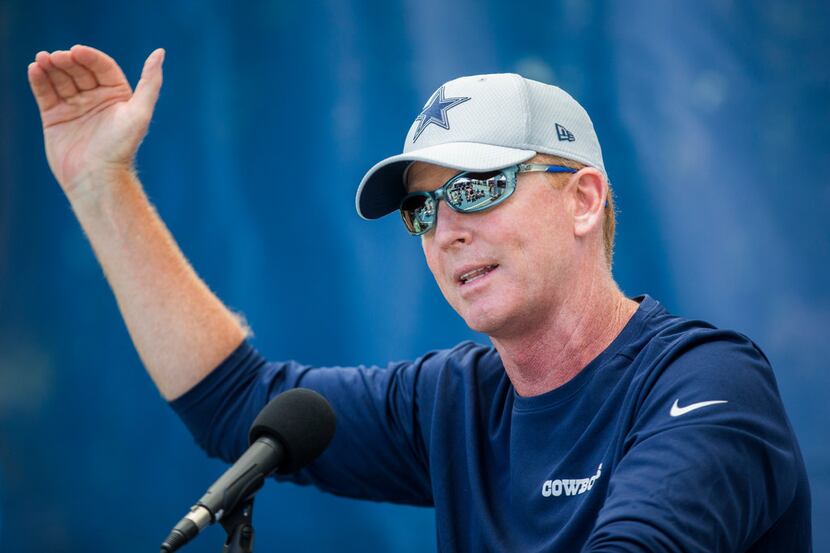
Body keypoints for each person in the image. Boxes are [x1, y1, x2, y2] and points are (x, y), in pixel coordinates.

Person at [28, 45, 811, 552]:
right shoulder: (457, 398)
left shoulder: (706, 384)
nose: (445, 229)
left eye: (476, 187)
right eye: (424, 208)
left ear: (583, 200)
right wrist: (102, 187)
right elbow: (236, 403)